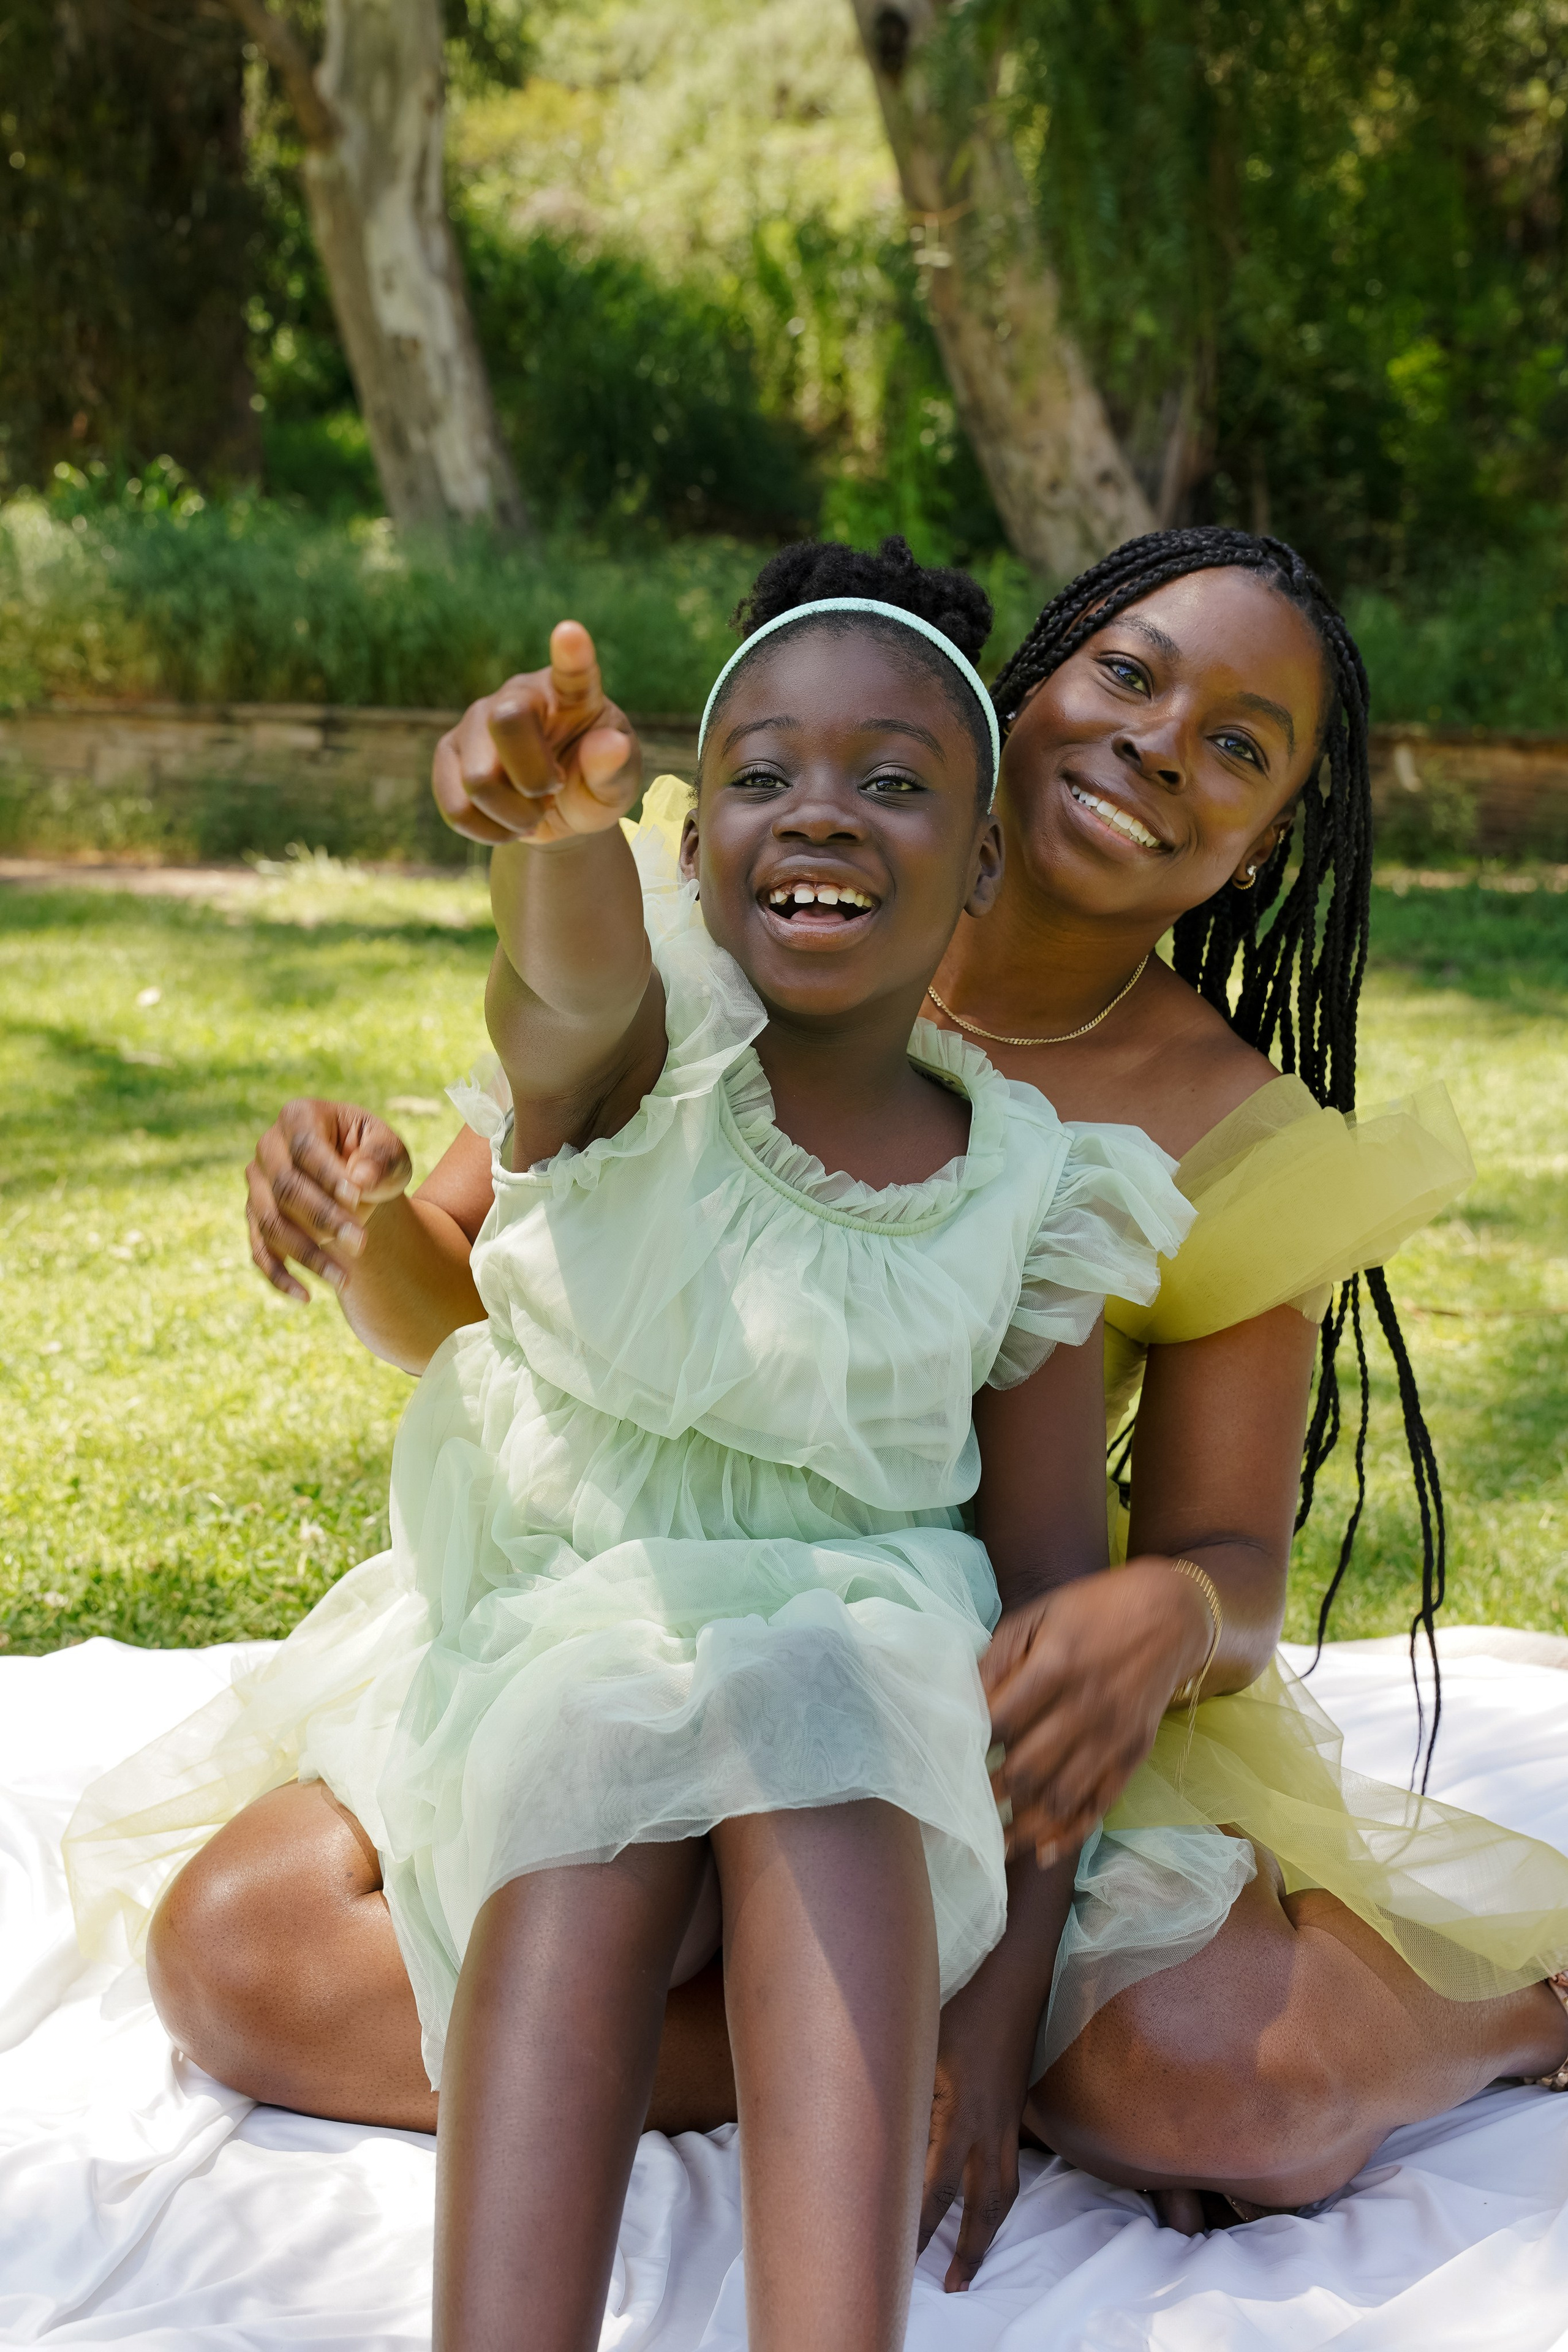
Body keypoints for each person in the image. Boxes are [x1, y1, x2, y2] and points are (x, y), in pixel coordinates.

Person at [70, 534, 1568, 2289]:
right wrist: (359, 1229)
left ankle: (1511, 2021)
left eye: (1245, 749)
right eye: (1135, 676)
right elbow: (474, 1301)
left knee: (1231, 2086)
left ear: (1268, 841)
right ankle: (816, 2057)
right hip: (616, 1591)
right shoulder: (724, 921)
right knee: (245, 1957)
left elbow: (1220, 1560)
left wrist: (1164, 1614)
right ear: (1025, 694)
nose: (1170, 745)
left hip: (980, 1667)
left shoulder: (1198, 1131)